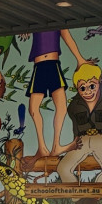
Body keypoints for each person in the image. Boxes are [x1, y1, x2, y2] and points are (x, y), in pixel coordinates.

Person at [58, 60, 102, 204]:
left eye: (92, 86)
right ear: (77, 89)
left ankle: (90, 201)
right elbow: (75, 127)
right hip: (82, 139)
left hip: (101, 137)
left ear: (99, 83)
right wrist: (73, 144)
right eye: (82, 88)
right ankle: (80, 201)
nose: (87, 91)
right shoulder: (74, 106)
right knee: (63, 167)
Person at [26, 29, 87, 158]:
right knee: (33, 108)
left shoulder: (58, 21)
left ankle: (56, 146)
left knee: (61, 106)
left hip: (53, 64)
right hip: (39, 66)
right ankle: (42, 147)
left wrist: (80, 59)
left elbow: (66, 35)